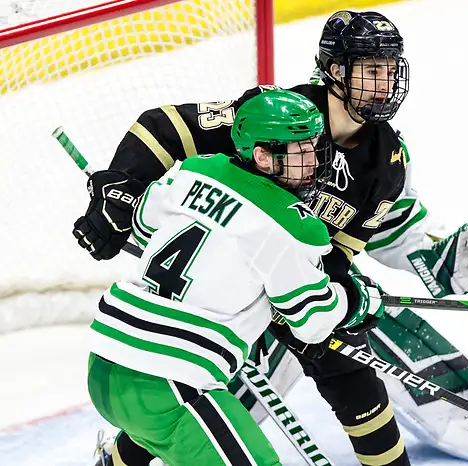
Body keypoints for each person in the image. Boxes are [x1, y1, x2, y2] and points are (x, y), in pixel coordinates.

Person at [76, 10, 468, 465]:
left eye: (392, 69)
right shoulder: (278, 117)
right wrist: (119, 190)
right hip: (243, 290)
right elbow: (164, 128)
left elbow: (339, 253)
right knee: (200, 390)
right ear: (336, 70)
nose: (387, 82)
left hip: (294, 283)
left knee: (355, 380)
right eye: (372, 69)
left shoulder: (386, 162)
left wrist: (353, 288)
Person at [86, 89, 387, 466]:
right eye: (301, 151)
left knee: (158, 436)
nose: (313, 161)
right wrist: (357, 300)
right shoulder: (293, 225)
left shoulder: (193, 171)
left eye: (315, 146)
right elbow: (311, 322)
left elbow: (146, 227)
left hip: (104, 366)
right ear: (262, 156)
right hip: (171, 382)